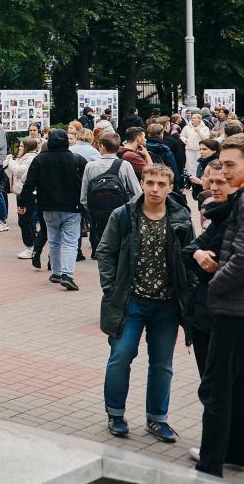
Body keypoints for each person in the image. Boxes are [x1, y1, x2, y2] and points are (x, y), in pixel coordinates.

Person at [97, 163, 194, 444]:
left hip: (166, 305)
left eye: (161, 184)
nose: (154, 189)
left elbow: (189, 257)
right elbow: (105, 252)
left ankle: (157, 419)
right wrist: (111, 289)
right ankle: (115, 414)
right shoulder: (124, 214)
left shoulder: (181, 217)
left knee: (162, 364)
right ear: (142, 182)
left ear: (170, 187)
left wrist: (189, 296)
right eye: (150, 182)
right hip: (131, 303)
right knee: (121, 357)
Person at [192, 135, 244, 476]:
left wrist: (213, 292)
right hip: (233, 307)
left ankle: (210, 466)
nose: (222, 172)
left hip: (230, 309)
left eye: (230, 165)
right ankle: (233, 451)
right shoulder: (236, 199)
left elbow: (241, 260)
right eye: (220, 164)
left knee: (216, 390)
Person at [183, 161, 235, 375]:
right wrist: (197, 253)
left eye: (220, 182)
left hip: (226, 317)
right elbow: (187, 252)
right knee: (208, 382)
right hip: (203, 315)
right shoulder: (217, 216)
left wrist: (201, 261)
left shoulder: (233, 219)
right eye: (210, 180)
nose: (213, 186)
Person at [20, 129, 87, 291]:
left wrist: (23, 202)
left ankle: (56, 272)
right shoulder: (76, 159)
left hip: (47, 206)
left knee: (54, 240)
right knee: (71, 242)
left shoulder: (40, 159)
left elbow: (29, 183)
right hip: (72, 206)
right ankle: (67, 275)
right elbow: (86, 181)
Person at [80, 133, 141, 256]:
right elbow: (137, 192)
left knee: (102, 245)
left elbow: (84, 196)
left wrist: (92, 211)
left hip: (98, 213)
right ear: (118, 147)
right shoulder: (124, 165)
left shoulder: (90, 166)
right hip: (120, 211)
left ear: (101, 146)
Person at [7, 137, 41, 258]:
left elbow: (19, 172)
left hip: (26, 194)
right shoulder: (23, 157)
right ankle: (31, 246)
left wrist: (10, 162)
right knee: (25, 220)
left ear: (27, 147)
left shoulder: (30, 158)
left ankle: (31, 247)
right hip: (20, 192)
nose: (19, 148)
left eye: (21, 146)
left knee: (25, 220)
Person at [181, 114, 211, 179]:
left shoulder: (205, 128)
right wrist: (186, 141)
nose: (192, 119)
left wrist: (199, 131)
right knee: (190, 164)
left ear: (199, 120)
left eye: (194, 118)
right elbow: (182, 135)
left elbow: (206, 138)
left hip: (199, 149)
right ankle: (191, 179)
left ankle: (198, 178)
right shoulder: (187, 127)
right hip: (189, 148)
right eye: (192, 118)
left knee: (198, 164)